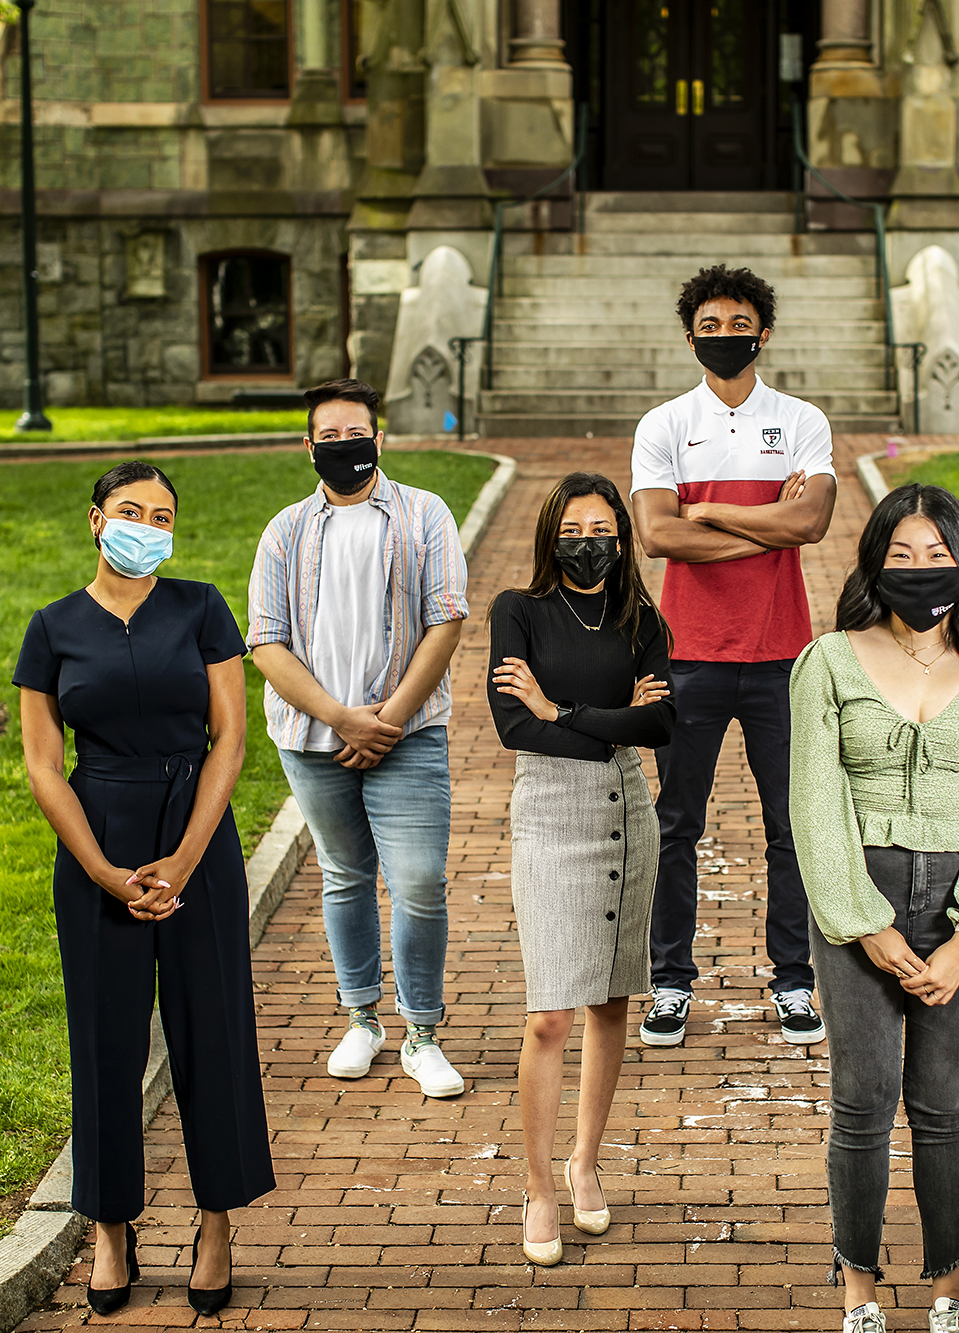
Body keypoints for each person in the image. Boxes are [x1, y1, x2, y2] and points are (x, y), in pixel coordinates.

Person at [14, 461, 274, 1318]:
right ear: (95, 520)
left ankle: (216, 1221)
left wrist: (188, 858)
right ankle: (111, 1226)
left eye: (162, 515)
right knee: (104, 1042)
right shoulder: (50, 629)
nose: (147, 526)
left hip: (195, 829)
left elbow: (230, 737)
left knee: (215, 1032)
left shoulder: (201, 608)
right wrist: (97, 867)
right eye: (131, 511)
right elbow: (44, 764)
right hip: (99, 834)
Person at [791, 483, 959, 1333]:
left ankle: (948, 1294)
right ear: (873, 563)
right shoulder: (827, 661)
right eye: (901, 553)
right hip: (855, 893)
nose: (920, 567)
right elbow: (815, 804)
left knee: (942, 1100)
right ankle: (859, 1295)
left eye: (937, 553)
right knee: (861, 1097)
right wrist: (865, 923)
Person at [630, 263, 839, 1048]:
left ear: (764, 331)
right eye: (709, 327)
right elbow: (656, 535)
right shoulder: (663, 424)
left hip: (784, 654)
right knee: (677, 823)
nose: (725, 337)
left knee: (791, 825)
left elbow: (810, 525)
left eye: (738, 324)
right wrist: (764, 518)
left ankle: (793, 981)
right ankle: (671, 984)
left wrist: (709, 507)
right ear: (690, 337)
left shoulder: (803, 419)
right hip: (690, 655)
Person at [248, 378, 470, 1099]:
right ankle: (362, 1018)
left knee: (418, 882)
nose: (347, 446)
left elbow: (447, 620)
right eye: (330, 437)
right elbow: (266, 642)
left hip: (407, 734)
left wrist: (390, 717)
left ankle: (423, 1032)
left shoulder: (424, 514)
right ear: (307, 446)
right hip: (313, 739)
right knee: (344, 875)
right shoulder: (284, 531)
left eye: (359, 433)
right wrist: (341, 717)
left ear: (381, 437)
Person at [487, 472, 678, 1266]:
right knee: (549, 1015)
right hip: (551, 812)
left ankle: (585, 1161)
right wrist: (606, 725)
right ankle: (537, 1185)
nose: (589, 540)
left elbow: (662, 722)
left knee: (609, 1003)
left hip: (629, 810)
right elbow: (508, 725)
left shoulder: (642, 616)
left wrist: (559, 711)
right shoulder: (517, 610)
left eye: (604, 527)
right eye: (574, 527)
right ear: (550, 534)